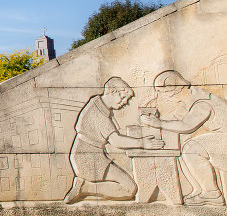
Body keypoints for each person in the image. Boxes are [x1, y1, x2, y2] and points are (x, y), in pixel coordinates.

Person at [65, 77, 164, 203]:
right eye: (123, 97)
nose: (125, 102)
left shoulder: (97, 104)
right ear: (112, 91)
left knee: (129, 187)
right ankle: (84, 187)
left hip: (90, 154)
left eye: (126, 100)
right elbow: (116, 141)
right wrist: (143, 143)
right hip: (88, 158)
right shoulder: (97, 114)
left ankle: (83, 187)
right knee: (129, 189)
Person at [141, 70, 227, 206]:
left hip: (224, 138)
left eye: (164, 93)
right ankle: (200, 189)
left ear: (174, 90)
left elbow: (187, 125)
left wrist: (159, 124)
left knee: (192, 148)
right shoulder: (191, 99)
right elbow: (177, 117)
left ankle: (212, 193)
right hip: (221, 137)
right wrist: (157, 120)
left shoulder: (202, 102)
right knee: (184, 148)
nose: (164, 98)